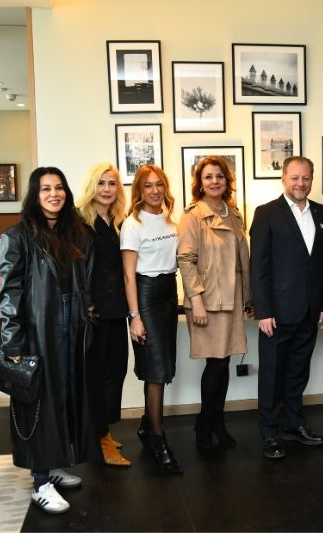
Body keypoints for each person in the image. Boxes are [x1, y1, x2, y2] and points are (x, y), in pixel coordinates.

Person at [0, 166, 99, 514]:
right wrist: (13, 342)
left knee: (65, 397)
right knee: (39, 404)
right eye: (45, 189)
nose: (54, 194)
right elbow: (10, 294)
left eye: (59, 188)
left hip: (72, 325)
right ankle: (40, 481)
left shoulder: (77, 234)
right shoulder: (17, 237)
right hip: (37, 329)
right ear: (35, 194)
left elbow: (85, 283)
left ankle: (53, 464)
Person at [249, 155, 323, 460]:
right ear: (284, 178)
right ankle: (270, 432)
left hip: (310, 310)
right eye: (295, 178)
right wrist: (263, 311)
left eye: (306, 178)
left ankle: (294, 424)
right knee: (272, 374)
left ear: (312, 179)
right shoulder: (266, 213)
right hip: (277, 311)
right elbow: (258, 266)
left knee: (298, 371)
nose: (301, 183)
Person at [177, 156, 251, 449]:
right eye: (208, 177)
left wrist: (249, 297)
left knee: (224, 361)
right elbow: (185, 259)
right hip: (208, 300)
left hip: (232, 298)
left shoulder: (234, 214)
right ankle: (205, 425)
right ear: (199, 183)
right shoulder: (193, 216)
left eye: (219, 176)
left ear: (226, 181)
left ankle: (216, 422)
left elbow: (241, 260)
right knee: (216, 363)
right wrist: (196, 300)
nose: (214, 181)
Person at [120, 164, 182, 474]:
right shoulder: (133, 224)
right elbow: (128, 276)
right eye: (148, 186)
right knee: (155, 371)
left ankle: (147, 426)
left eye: (159, 184)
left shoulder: (171, 220)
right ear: (139, 191)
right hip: (145, 295)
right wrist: (135, 316)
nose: (155, 190)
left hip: (168, 292)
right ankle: (158, 439)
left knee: (164, 366)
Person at [75, 162, 131, 467]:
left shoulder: (120, 222)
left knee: (116, 371)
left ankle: (103, 431)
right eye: (101, 183)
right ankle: (100, 438)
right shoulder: (78, 222)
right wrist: (85, 305)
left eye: (112, 183)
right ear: (91, 186)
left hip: (117, 308)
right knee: (96, 377)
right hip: (92, 311)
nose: (107, 189)